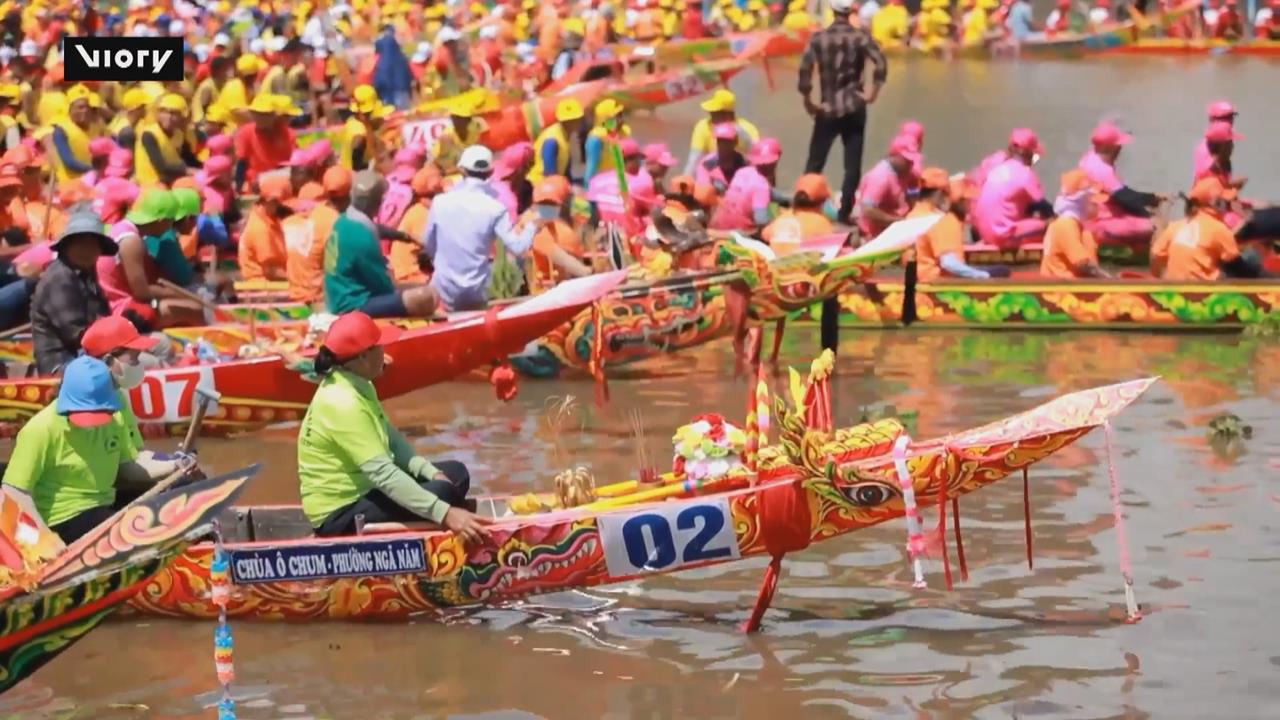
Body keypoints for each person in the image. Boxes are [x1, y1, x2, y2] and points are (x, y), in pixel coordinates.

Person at [297, 311, 491, 541]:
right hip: (339, 513)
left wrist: (432, 472)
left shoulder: (358, 385)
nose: (384, 353)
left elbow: (394, 443)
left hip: (368, 490)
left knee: (455, 473)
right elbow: (384, 474)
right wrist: (445, 514)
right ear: (361, 358)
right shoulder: (343, 402)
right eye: (378, 348)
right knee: (444, 493)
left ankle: (432, 518)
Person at [1, 356, 185, 544]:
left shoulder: (114, 416)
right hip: (62, 517)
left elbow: (126, 469)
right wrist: (44, 537)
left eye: (97, 412)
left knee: (181, 492)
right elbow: (14, 492)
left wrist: (174, 466)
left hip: (104, 501)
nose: (91, 424)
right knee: (126, 535)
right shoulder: (40, 429)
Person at [798, 0, 889, 225]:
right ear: (851, 11)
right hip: (854, 107)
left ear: (832, 10)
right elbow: (880, 62)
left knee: (815, 163)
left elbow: (805, 70)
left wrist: (808, 100)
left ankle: (804, 206)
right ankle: (844, 213)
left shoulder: (819, 38)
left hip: (827, 109)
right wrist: (873, 92)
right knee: (852, 165)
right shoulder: (861, 37)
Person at [424, 146, 544, 311]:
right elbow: (518, 247)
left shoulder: (439, 202)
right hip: (476, 292)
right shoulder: (496, 208)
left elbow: (429, 245)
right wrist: (533, 225)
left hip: (443, 289)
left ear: (461, 170)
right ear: (490, 173)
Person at [325, 170, 439, 318]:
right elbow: (383, 288)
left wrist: (405, 236)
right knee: (425, 296)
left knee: (417, 287)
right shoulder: (363, 239)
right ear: (378, 201)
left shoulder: (344, 220)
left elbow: (375, 229)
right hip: (353, 305)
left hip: (338, 296)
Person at [30, 209, 114, 375]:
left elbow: (103, 317)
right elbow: (78, 335)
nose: (87, 250)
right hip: (61, 364)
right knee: (138, 364)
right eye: (80, 243)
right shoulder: (59, 278)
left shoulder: (85, 274)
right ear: (67, 246)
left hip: (88, 355)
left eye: (92, 244)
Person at [1151, 176, 1258, 281]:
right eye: (1225, 202)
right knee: (1251, 256)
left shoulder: (1175, 226)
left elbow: (1155, 254)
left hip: (1175, 290)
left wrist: (1163, 277)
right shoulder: (1219, 229)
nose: (1227, 205)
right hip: (1204, 292)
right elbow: (1240, 270)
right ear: (1217, 204)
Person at [1078, 121, 1163, 245]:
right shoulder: (1101, 169)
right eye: (1118, 145)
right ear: (1110, 147)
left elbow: (1121, 194)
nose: (1120, 148)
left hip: (1090, 217)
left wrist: (1151, 199)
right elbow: (1125, 197)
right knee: (1155, 223)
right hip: (1100, 224)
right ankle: (1157, 259)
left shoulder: (1089, 158)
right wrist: (1152, 201)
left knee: (1146, 213)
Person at [972, 128, 1053, 248]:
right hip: (1002, 236)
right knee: (1052, 224)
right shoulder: (1025, 173)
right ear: (1028, 153)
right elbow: (1045, 208)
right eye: (1035, 155)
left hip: (982, 232)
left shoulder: (996, 168)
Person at [911, 169, 993, 281]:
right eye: (965, 201)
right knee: (1001, 272)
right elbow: (949, 263)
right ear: (942, 193)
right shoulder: (940, 220)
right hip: (939, 284)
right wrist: (983, 276)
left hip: (917, 280)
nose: (969, 206)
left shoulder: (914, 214)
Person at [1040, 170, 1111, 279]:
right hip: (1061, 292)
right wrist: (1111, 280)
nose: (1098, 207)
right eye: (1093, 202)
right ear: (1081, 201)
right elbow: (1083, 265)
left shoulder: (1076, 225)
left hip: (1075, 287)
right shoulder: (1066, 225)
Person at [528, 177, 593, 290]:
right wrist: (590, 273)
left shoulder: (573, 223)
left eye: (551, 204)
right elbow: (568, 262)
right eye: (544, 204)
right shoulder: (538, 229)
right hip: (549, 295)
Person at [709, 138, 780, 233]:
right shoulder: (762, 186)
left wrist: (792, 199)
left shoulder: (742, 172)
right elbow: (761, 219)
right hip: (740, 232)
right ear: (775, 162)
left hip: (718, 225)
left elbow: (768, 193)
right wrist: (777, 222)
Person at [854, 136, 919, 239]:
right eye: (906, 160)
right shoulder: (880, 177)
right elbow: (868, 210)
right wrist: (897, 221)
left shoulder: (906, 171)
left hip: (897, 223)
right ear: (894, 155)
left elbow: (913, 192)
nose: (911, 163)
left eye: (912, 160)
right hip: (875, 232)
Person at [683, 89, 759, 176]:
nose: (711, 115)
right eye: (711, 112)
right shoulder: (703, 126)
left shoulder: (747, 129)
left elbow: (759, 157)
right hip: (714, 173)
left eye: (715, 113)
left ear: (728, 115)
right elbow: (694, 160)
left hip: (743, 173)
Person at [234, 94, 298, 190]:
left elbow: (296, 160)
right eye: (257, 113)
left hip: (282, 176)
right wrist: (238, 187)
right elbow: (241, 163)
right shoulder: (245, 132)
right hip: (256, 180)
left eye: (265, 114)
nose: (261, 117)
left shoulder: (288, 133)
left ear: (274, 115)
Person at [134, 94, 199, 187]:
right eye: (165, 112)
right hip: (150, 183)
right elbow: (162, 168)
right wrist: (187, 170)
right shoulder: (149, 134)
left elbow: (190, 160)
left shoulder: (179, 134)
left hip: (171, 180)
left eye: (174, 113)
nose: (169, 118)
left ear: (182, 117)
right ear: (158, 114)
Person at [762, 174, 836, 254]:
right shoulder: (821, 223)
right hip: (802, 265)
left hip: (775, 263)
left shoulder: (783, 217)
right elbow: (832, 245)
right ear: (823, 201)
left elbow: (765, 234)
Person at [239, 174, 292, 281]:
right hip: (262, 287)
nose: (284, 207)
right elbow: (270, 270)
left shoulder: (270, 220)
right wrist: (297, 278)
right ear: (271, 201)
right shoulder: (260, 228)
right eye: (280, 203)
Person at [529, 99, 585, 183]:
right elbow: (549, 173)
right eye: (571, 120)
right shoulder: (552, 140)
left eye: (577, 119)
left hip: (554, 183)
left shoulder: (565, 134)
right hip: (541, 185)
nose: (576, 123)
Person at [431, 98, 486, 176]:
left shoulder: (475, 127)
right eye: (458, 118)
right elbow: (442, 167)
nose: (465, 121)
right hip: (450, 172)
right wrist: (458, 170)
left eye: (467, 119)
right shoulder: (447, 137)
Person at [583, 99, 631, 182]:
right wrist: (588, 190)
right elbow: (591, 168)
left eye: (621, 114)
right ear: (605, 119)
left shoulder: (625, 131)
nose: (621, 119)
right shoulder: (596, 138)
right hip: (603, 182)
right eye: (617, 116)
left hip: (623, 181)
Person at [1193, 101, 1236, 182]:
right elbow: (1204, 183)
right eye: (1225, 118)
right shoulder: (1205, 149)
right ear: (1212, 120)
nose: (1230, 121)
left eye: (1231, 117)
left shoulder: (1226, 145)